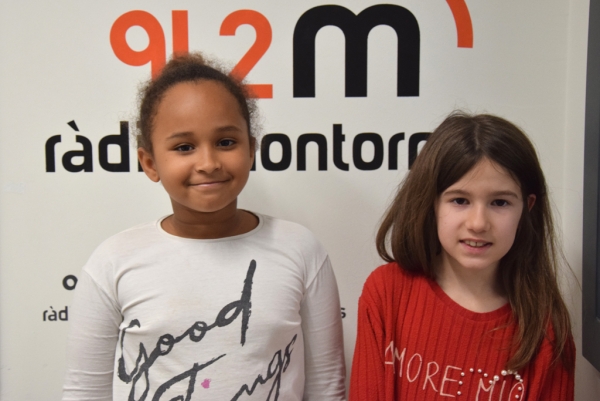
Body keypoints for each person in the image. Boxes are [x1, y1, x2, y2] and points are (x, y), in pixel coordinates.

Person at [62, 52, 346, 401]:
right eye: (184, 147)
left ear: (251, 149)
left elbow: (327, 386)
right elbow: (85, 392)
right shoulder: (113, 261)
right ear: (150, 163)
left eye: (226, 142)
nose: (208, 163)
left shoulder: (300, 249)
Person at [350, 112, 575, 400]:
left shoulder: (547, 329)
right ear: (432, 203)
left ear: (527, 208)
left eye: (500, 202)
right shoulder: (387, 291)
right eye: (460, 200)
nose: (478, 223)